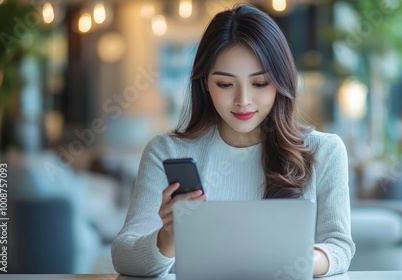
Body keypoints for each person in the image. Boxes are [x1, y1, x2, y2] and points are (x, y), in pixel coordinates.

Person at [111, 3, 355, 278]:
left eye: (260, 83)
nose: (243, 101)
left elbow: (339, 247)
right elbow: (123, 256)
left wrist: (295, 260)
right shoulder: (166, 151)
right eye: (225, 85)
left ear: (281, 81)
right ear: (204, 83)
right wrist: (167, 237)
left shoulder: (324, 151)